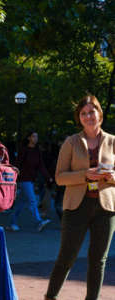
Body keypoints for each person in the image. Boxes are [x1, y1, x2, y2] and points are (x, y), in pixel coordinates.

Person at [44, 95, 115, 300]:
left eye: (91, 111)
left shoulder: (113, 141)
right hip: (77, 207)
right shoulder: (71, 142)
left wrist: (112, 176)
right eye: (83, 113)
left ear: (99, 114)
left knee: (98, 260)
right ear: (79, 118)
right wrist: (84, 175)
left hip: (106, 208)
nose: (88, 116)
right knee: (66, 257)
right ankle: (50, 297)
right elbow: (59, 177)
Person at [7, 130, 53, 232]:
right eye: (33, 136)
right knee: (32, 201)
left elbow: (41, 166)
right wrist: (13, 179)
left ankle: (11, 223)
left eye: (36, 137)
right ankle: (39, 222)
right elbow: (17, 164)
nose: (35, 138)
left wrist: (48, 177)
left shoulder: (37, 152)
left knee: (20, 203)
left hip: (31, 180)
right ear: (28, 138)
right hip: (23, 179)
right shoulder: (24, 150)